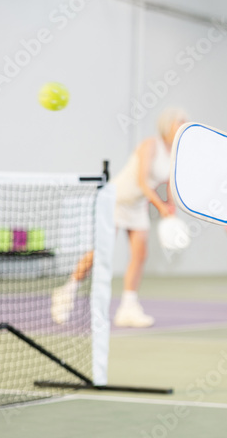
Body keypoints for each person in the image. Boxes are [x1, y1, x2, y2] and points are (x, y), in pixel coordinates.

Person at [52, 107, 187, 328]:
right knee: (99, 252)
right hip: (115, 200)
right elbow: (143, 181)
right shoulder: (150, 145)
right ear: (167, 125)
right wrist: (161, 207)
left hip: (137, 205)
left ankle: (128, 307)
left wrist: (171, 208)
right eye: (179, 123)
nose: (183, 126)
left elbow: (169, 184)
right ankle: (66, 291)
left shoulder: (175, 153)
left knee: (140, 254)